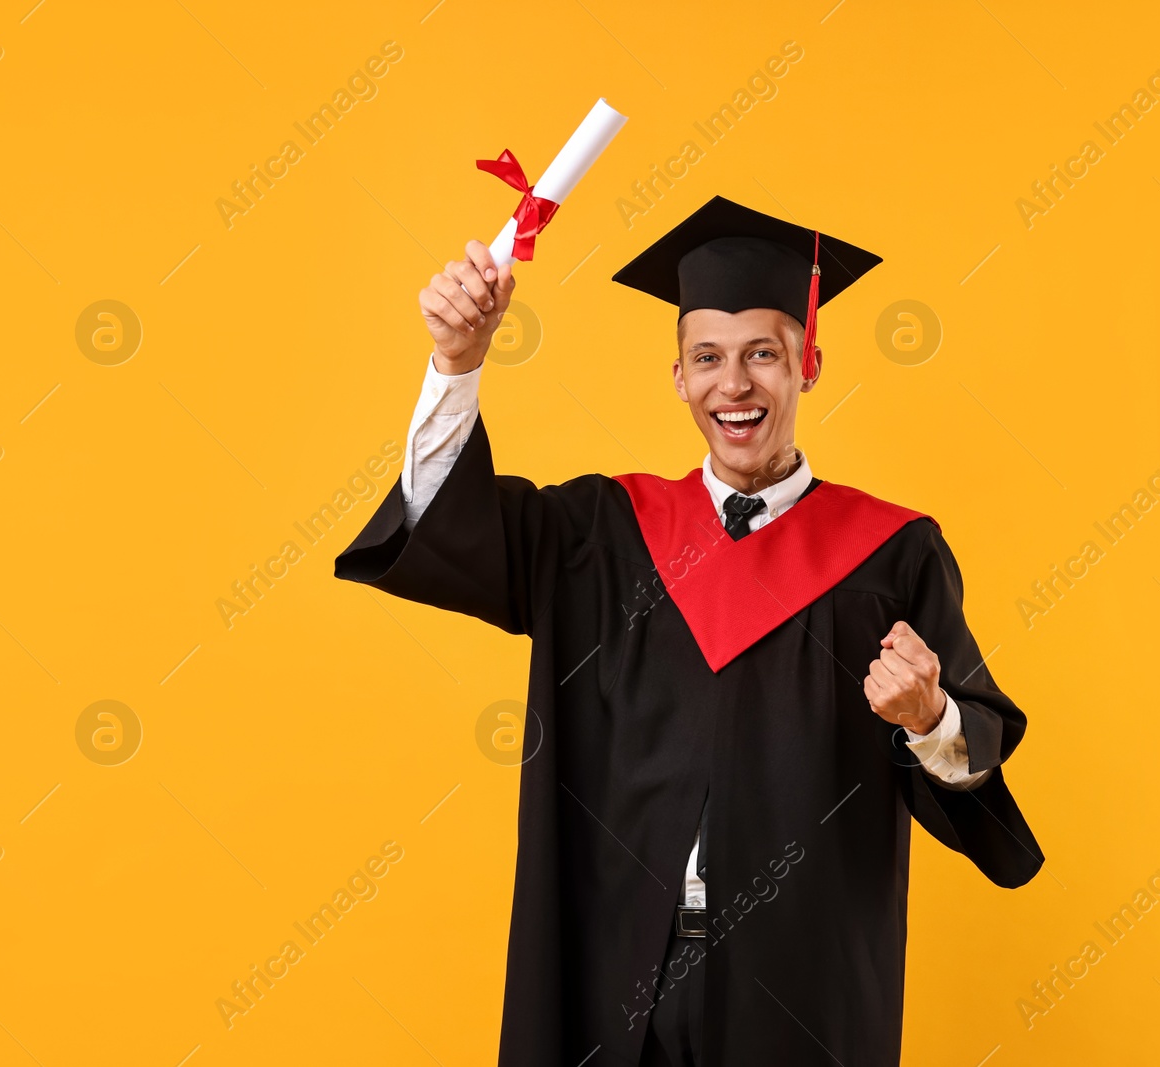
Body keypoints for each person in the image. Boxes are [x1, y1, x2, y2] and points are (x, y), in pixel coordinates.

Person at [336, 195, 1044, 1066]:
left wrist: (928, 717)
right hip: (611, 970)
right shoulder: (600, 533)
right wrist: (456, 362)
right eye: (707, 357)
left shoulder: (890, 556)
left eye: (763, 356)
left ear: (808, 366)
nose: (734, 384)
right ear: (678, 377)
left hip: (799, 988)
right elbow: (448, 524)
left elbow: (976, 755)